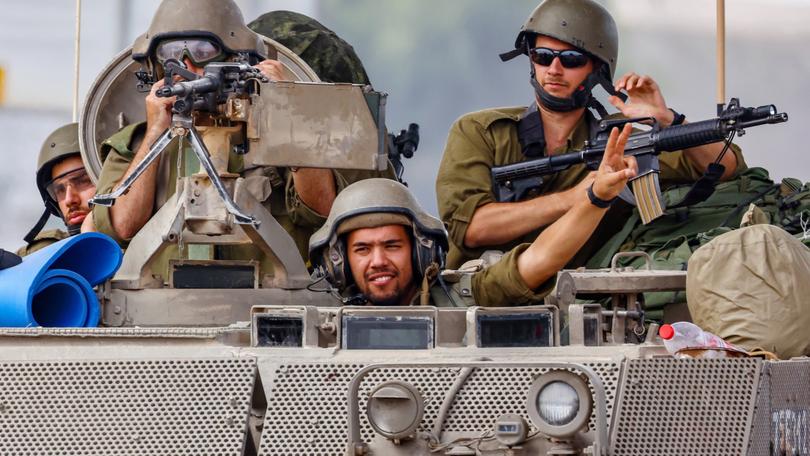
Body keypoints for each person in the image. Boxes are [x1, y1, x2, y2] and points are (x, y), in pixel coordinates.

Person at [435, 0, 746, 269]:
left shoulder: (621, 142)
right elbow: (472, 228)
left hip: (585, 301)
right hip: (482, 299)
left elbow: (722, 167)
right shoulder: (481, 132)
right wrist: (583, 197)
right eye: (543, 56)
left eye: (571, 60)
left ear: (597, 69)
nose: (554, 69)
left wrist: (668, 118)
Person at [91, 0, 341, 260]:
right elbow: (121, 227)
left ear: (236, 59)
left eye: (202, 51)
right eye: (172, 54)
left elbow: (323, 210)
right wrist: (155, 133)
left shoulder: (280, 140)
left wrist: (287, 113)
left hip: (267, 297)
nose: (185, 67)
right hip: (165, 297)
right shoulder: (133, 145)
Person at [310, 124, 637, 306]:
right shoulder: (322, 320)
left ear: (421, 251)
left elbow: (540, 260)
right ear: (339, 260)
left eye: (392, 246)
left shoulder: (463, 297)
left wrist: (596, 197)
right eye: (362, 249)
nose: (378, 260)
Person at [18, 123, 96, 256]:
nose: (69, 199)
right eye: (60, 189)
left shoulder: (141, 243)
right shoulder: (45, 254)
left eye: (82, 181)